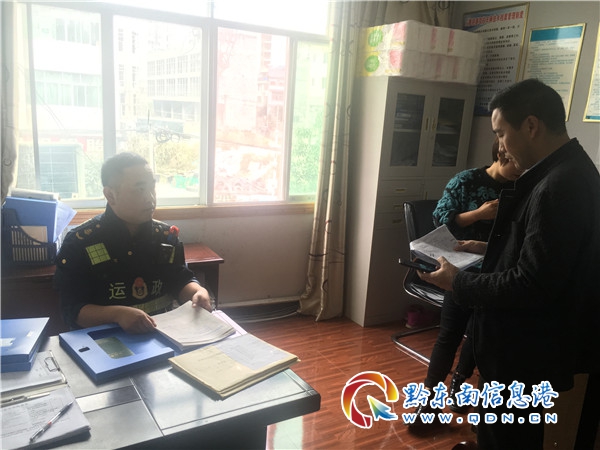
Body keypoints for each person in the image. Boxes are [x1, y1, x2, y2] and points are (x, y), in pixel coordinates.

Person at [418, 79, 600, 449]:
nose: (500, 146)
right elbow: (546, 255)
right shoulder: (568, 172)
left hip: (525, 352)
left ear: (531, 126)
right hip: (528, 347)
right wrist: (488, 249)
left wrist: (457, 282)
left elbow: (531, 282)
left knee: (507, 439)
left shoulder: (558, 186)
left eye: (501, 133)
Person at [411, 139, 521, 425]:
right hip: (460, 271)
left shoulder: (521, 188)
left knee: (478, 335)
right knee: (449, 335)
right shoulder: (467, 181)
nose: (519, 172)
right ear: (501, 154)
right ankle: (429, 402)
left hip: (497, 274)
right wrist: (480, 214)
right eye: (516, 164)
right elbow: (440, 219)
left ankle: (459, 385)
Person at [55, 152, 212, 334]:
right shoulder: (80, 242)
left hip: (162, 334)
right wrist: (117, 314)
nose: (150, 198)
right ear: (110, 195)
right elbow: (72, 311)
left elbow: (179, 279)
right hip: (105, 339)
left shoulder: (165, 237)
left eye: (152, 188)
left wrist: (197, 292)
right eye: (139, 189)